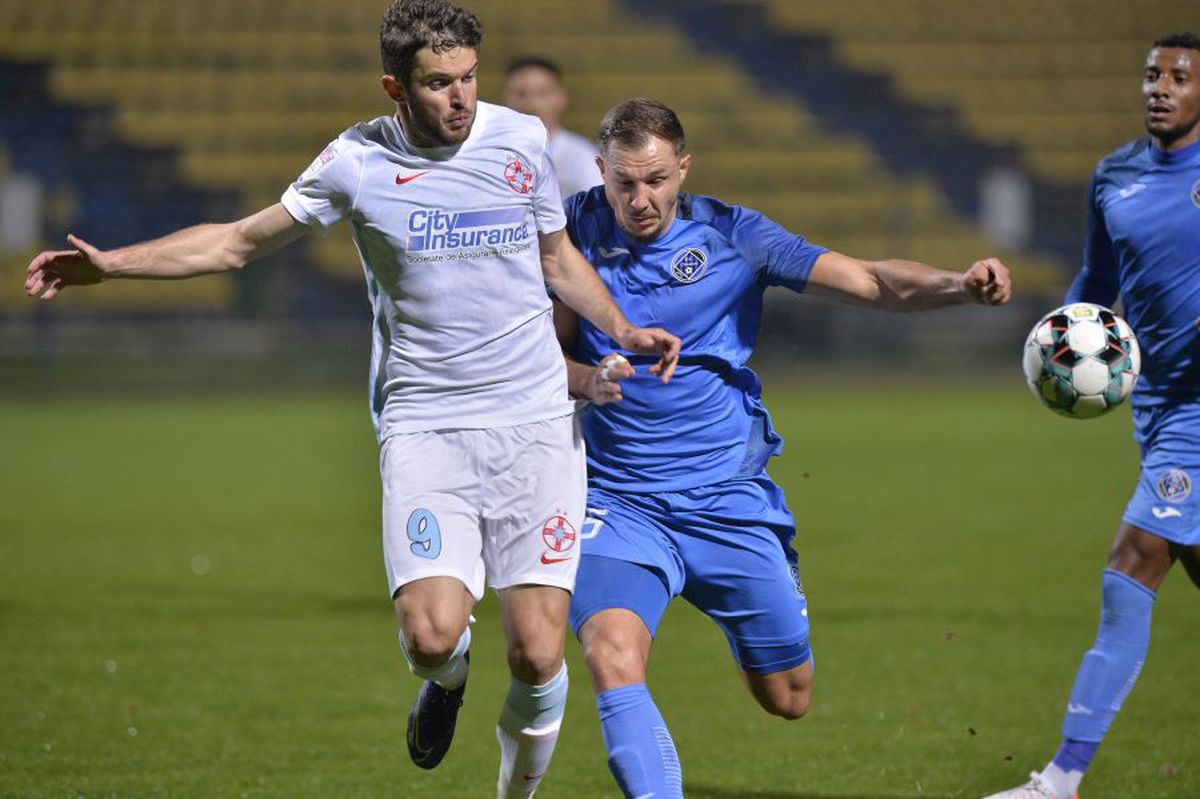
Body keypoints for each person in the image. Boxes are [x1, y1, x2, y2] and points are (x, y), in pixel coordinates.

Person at [23, 3, 680, 797]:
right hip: (425, 425)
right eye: (439, 84)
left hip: (536, 424)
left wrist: (621, 326)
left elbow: (558, 258)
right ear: (395, 87)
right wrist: (114, 266)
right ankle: (445, 679)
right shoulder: (356, 162)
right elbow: (237, 241)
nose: (460, 98)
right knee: (434, 634)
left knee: (539, 653)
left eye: (469, 77)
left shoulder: (522, 143)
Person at [551, 97, 1012, 799]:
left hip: (727, 500)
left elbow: (870, 280)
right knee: (610, 656)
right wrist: (584, 377)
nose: (639, 200)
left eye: (655, 180)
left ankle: (756, 603)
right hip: (619, 501)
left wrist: (960, 286)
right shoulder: (568, 232)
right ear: (600, 172)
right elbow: (529, 356)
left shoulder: (736, 236)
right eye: (623, 183)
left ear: (684, 168)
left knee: (789, 695)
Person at [983, 32, 1200, 799]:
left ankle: (1061, 778)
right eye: (1152, 74)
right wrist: (1057, 341)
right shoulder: (1116, 175)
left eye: (1179, 76)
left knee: (1133, 558)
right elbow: (1097, 281)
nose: (1161, 87)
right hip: (1160, 405)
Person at [503, 56, 601, 198]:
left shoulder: (582, 157)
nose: (532, 104)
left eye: (543, 94)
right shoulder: (487, 154)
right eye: (521, 94)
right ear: (506, 98)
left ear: (560, 98)